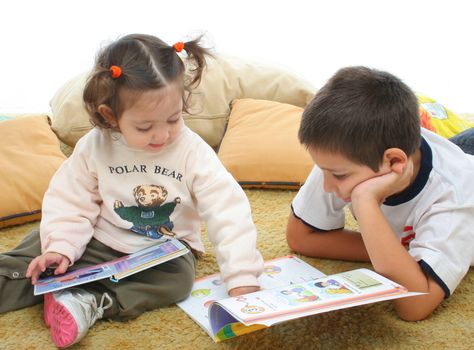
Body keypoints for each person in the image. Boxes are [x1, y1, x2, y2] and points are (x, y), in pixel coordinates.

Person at [0, 33, 263, 347]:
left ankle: (89, 301)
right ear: (110, 116)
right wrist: (61, 247)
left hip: (159, 252)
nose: (162, 134)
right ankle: (39, 279)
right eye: (144, 127)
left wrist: (242, 277)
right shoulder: (94, 146)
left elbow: (227, 212)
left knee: (178, 281)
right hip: (95, 234)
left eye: (173, 118)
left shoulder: (194, 152)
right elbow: (69, 200)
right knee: (37, 254)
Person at [286, 66, 474, 321]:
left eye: (339, 175)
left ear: (394, 161)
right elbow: (301, 238)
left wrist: (365, 203)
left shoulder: (455, 195)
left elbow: (415, 306)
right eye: (323, 170)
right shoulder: (345, 155)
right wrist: (398, 253)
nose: (328, 186)